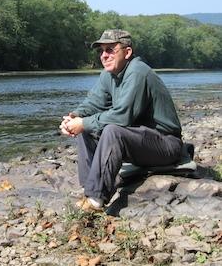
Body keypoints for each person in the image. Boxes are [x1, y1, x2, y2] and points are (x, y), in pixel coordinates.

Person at [59, 29, 183, 210]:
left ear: (128, 52)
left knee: (112, 130)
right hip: (140, 140)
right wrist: (73, 118)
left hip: (165, 144)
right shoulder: (108, 74)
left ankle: (96, 200)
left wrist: (83, 123)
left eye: (110, 49)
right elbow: (93, 103)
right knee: (88, 127)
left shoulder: (138, 72)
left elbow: (122, 116)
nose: (104, 55)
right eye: (101, 51)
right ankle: (90, 189)